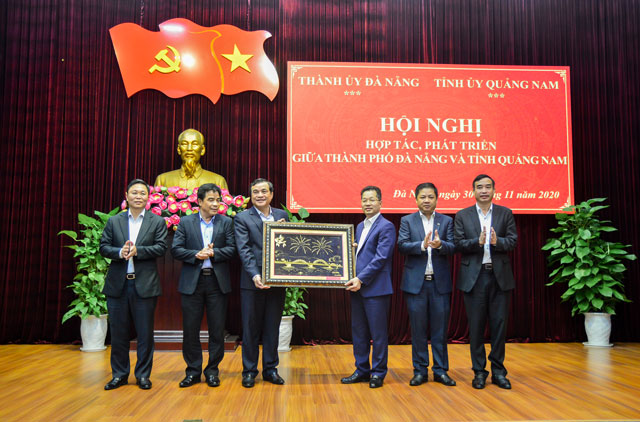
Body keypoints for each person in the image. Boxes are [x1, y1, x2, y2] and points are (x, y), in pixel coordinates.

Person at [99, 179, 168, 390]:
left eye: (142, 193)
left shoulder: (157, 222)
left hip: (144, 285)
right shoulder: (114, 221)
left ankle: (143, 375)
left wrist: (139, 251)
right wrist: (120, 252)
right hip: (118, 286)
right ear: (127, 196)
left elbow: (161, 248)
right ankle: (119, 375)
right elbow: (103, 247)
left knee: (145, 334)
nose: (138, 196)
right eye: (134, 193)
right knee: (118, 333)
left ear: (149, 197)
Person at [454, 174, 517, 390]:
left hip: (499, 278)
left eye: (488, 187)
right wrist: (477, 242)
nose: (484, 190)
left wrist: (496, 241)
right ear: (473, 191)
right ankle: (479, 372)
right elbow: (458, 243)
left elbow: (513, 241)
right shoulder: (462, 215)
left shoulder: (505, 213)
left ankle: (499, 372)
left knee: (499, 327)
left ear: (494, 190)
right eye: (479, 187)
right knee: (476, 327)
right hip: (475, 278)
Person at [171, 183, 236, 388]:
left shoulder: (226, 223)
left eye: (218, 199)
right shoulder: (185, 222)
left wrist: (214, 253)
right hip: (193, 281)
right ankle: (193, 371)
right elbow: (176, 249)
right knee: (190, 330)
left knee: (217, 330)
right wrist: (196, 255)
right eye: (211, 199)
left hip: (217, 282)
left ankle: (212, 371)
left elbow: (233, 249)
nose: (216, 203)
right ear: (199, 202)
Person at [398, 182, 456, 387]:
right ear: (416, 199)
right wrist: (421, 245)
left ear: (437, 199)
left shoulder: (447, 221)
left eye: (430, 197)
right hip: (416, 285)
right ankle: (420, 370)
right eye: (423, 197)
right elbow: (402, 245)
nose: (426, 200)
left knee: (440, 331)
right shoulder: (407, 221)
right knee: (418, 330)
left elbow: (453, 246)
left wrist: (441, 245)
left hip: (439, 284)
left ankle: (440, 371)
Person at [234, 178, 289, 388]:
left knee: (272, 327)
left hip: (277, 281)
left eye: (263, 191)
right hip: (252, 282)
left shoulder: (282, 216)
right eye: (255, 192)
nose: (259, 195)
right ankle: (249, 371)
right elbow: (244, 250)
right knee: (251, 328)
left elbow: (288, 246)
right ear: (251, 195)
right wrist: (255, 275)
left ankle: (270, 369)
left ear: (271, 194)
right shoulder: (242, 218)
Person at [341, 186, 396, 388]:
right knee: (359, 332)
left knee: (378, 334)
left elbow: (381, 258)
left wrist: (361, 279)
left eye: (372, 200)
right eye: (364, 200)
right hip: (357, 288)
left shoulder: (386, 226)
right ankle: (362, 370)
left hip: (376, 289)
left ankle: (378, 373)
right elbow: (361, 255)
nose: (368, 203)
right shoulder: (359, 226)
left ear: (380, 202)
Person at [154, 128, 228, 190]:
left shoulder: (218, 181)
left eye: (195, 144)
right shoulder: (163, 180)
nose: (189, 149)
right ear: (179, 149)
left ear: (202, 150)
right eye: (184, 144)